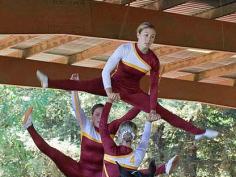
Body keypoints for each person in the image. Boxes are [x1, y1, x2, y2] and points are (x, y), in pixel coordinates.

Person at [36, 22, 219, 140]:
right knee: (81, 85)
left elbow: (154, 88)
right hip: (112, 84)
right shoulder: (125, 49)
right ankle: (48, 82)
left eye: (153, 37)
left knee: (164, 112)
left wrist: (152, 109)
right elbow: (106, 70)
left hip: (132, 92)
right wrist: (108, 91)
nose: (149, 40)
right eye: (146, 35)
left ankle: (198, 132)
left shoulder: (154, 60)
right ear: (138, 35)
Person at [23, 92, 141, 177]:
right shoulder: (87, 126)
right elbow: (77, 108)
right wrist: (74, 89)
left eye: (103, 114)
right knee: (53, 153)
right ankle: (29, 126)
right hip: (79, 173)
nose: (100, 118)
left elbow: (129, 116)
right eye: (97, 115)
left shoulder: (112, 128)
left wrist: (148, 101)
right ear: (92, 116)